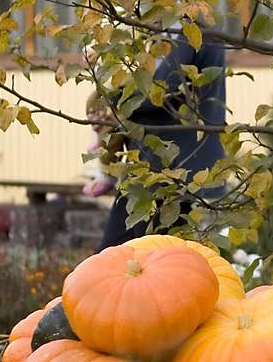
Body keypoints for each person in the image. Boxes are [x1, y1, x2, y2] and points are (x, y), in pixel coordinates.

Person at [96, 29, 227, 249]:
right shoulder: (157, 30)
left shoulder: (190, 30)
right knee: (114, 253)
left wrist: (113, 100)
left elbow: (160, 92)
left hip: (174, 169)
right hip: (148, 168)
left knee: (154, 255)